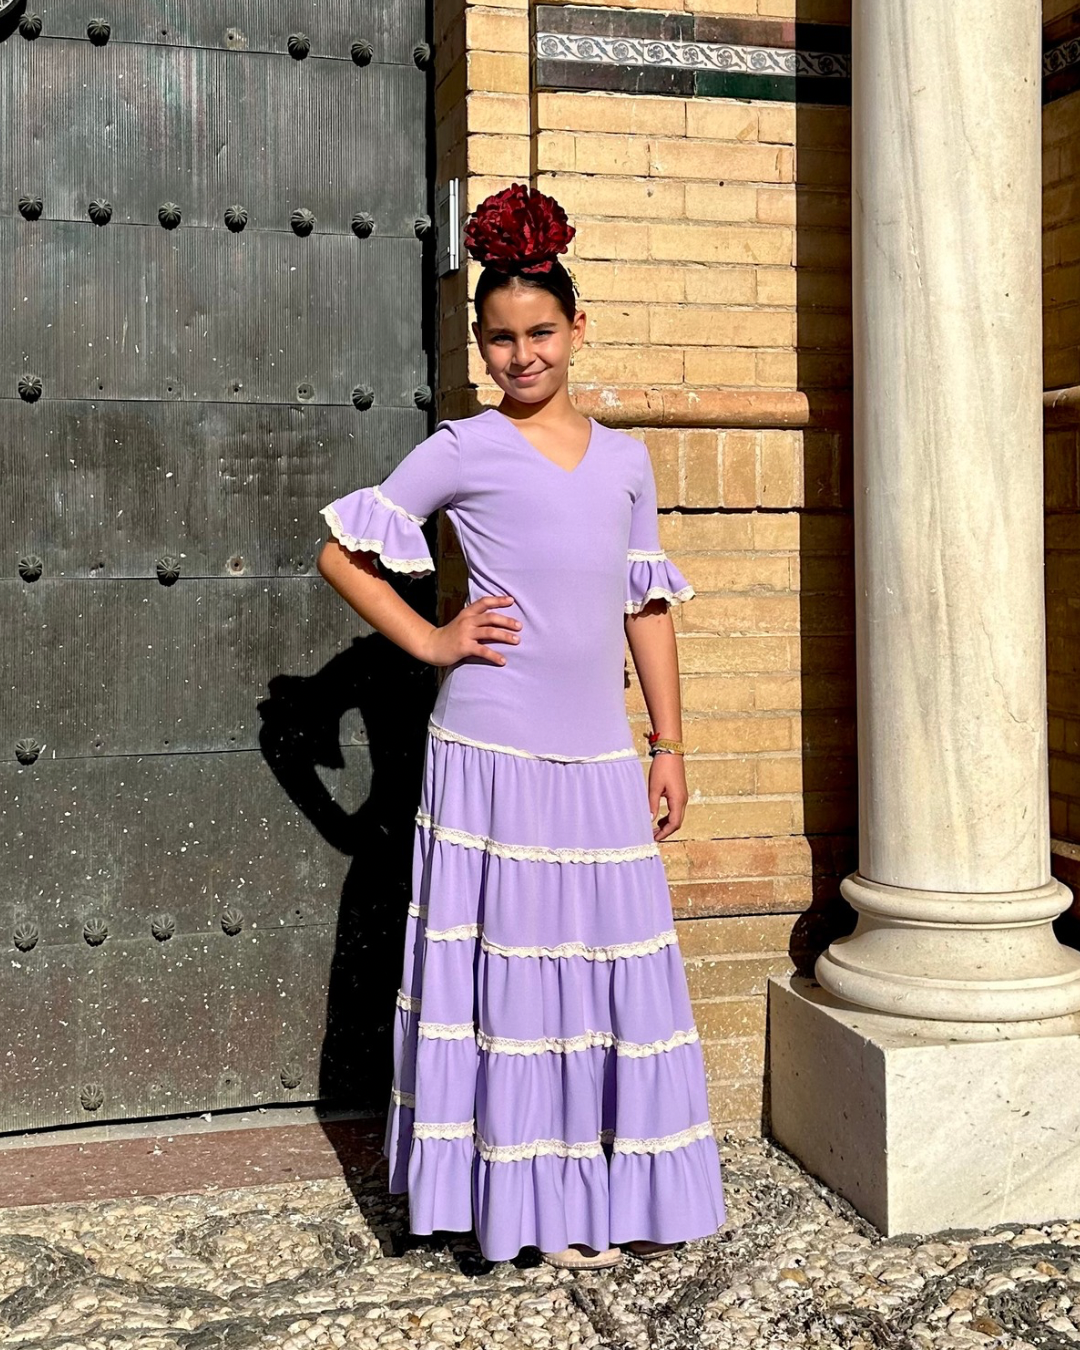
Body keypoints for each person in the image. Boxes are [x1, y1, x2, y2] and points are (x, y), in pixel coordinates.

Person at [317, 184, 726, 1269]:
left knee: (597, 969)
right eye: (500, 338)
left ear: (576, 329)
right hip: (489, 756)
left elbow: (646, 608)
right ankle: (521, 1214)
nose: (521, 354)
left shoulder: (627, 463)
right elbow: (342, 556)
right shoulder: (462, 449)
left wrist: (670, 746)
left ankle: (594, 1193)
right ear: (481, 345)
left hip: (597, 756)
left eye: (540, 331)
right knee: (510, 976)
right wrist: (433, 640)